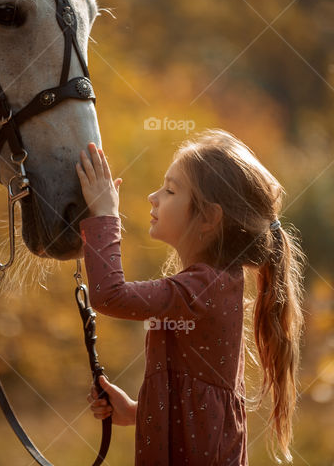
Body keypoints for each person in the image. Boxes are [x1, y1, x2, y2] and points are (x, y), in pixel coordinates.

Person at [74, 129, 306, 465]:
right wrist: (137, 413)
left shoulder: (206, 286)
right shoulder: (215, 284)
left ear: (210, 218)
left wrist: (105, 212)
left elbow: (110, 295)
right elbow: (195, 413)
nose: (154, 197)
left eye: (170, 190)